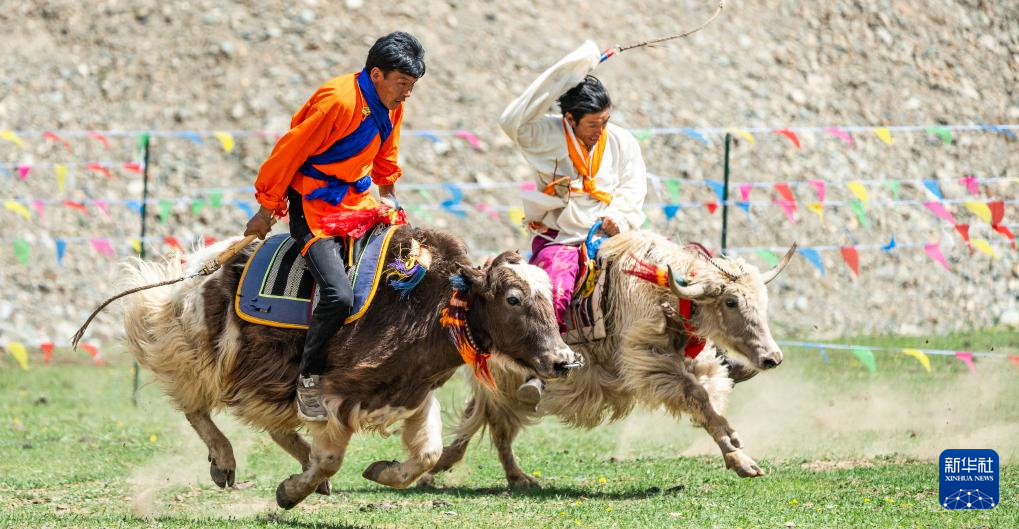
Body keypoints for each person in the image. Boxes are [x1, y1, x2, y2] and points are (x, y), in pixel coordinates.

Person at [243, 32, 425, 422]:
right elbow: (287, 154)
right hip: (313, 204)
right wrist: (266, 208)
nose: (407, 93)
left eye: (412, 85)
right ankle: (307, 379)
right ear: (376, 74)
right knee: (339, 295)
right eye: (402, 83)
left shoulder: (391, 103)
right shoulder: (337, 102)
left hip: (357, 200)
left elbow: (387, 150)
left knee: (410, 262)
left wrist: (389, 195)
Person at [499, 41, 648, 406]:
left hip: (614, 233)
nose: (601, 130)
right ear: (569, 119)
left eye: (605, 121)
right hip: (562, 239)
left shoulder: (622, 141)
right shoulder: (544, 134)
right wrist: (574, 68)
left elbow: (633, 185)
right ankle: (541, 368)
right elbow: (510, 120)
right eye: (593, 124)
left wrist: (620, 217)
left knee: (660, 272)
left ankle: (698, 349)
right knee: (555, 287)